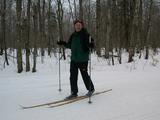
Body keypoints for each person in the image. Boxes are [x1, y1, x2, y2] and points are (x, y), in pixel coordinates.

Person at [57, 20, 95, 99]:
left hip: (83, 59)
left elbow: (91, 43)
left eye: (79, 25)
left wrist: (91, 45)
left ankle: (91, 89)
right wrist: (62, 43)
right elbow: (69, 45)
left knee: (84, 75)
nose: (78, 26)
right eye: (76, 25)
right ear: (74, 26)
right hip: (74, 59)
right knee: (73, 76)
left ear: (82, 26)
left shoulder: (86, 35)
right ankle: (74, 93)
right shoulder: (73, 35)